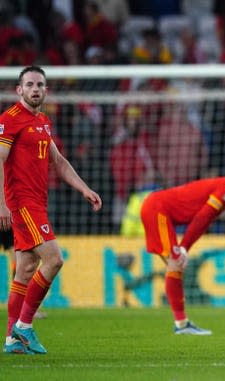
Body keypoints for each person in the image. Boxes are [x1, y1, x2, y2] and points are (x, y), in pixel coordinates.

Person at [2, 66, 103, 354]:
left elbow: (58, 162)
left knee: (25, 270)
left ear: (46, 90)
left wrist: (84, 188)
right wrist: (1, 204)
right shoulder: (9, 120)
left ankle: (11, 339)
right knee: (54, 259)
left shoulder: (43, 121)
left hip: (37, 203)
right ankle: (24, 326)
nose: (36, 89)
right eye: (30, 84)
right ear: (19, 90)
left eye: (40, 85)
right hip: (22, 204)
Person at [140, 165, 225, 334]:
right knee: (176, 264)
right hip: (157, 209)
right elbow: (202, 218)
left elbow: (203, 222)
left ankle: (182, 324)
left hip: (157, 208)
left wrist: (184, 248)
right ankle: (181, 324)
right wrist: (184, 248)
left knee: (176, 267)